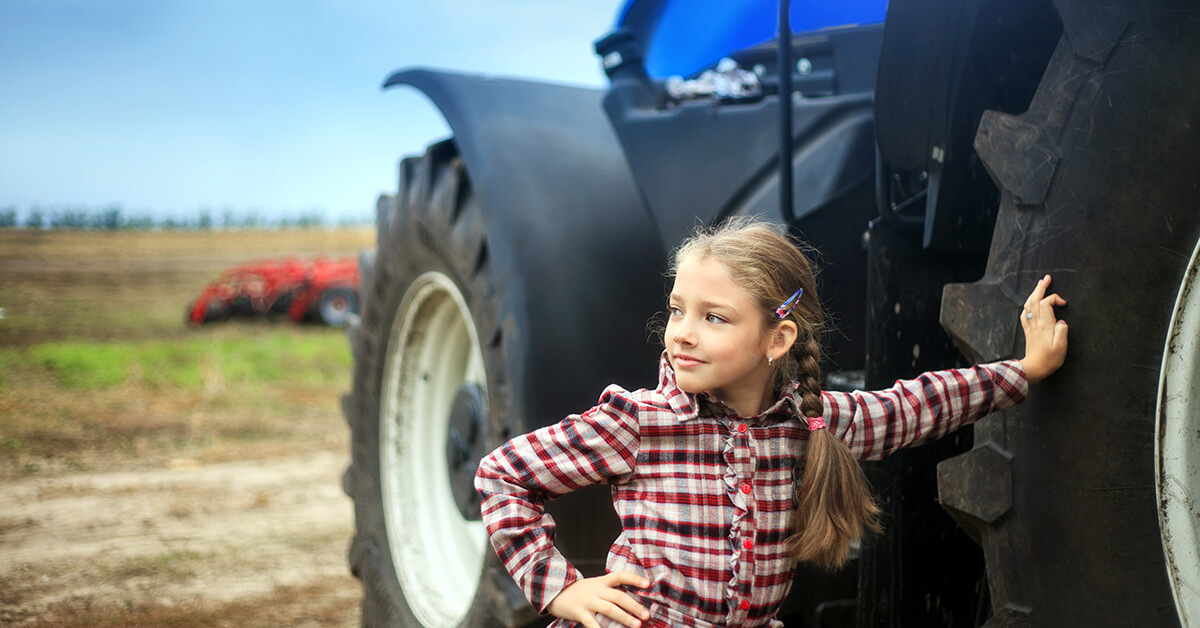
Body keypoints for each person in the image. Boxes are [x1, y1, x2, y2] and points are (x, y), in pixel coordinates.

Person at [475, 217, 1069, 628]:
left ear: (777, 338)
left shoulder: (810, 427)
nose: (683, 331)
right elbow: (501, 476)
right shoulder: (637, 422)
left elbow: (915, 406)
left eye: (714, 317)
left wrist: (1025, 369)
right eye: (678, 310)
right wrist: (560, 588)